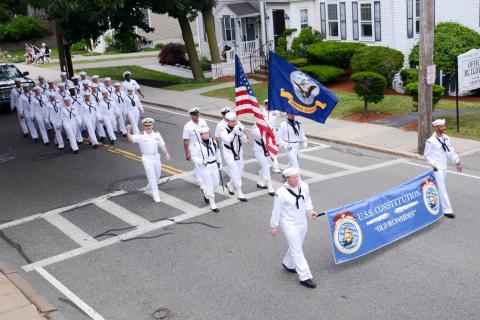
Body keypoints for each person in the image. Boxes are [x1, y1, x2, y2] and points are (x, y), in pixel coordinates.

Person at [270, 167, 318, 289]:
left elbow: (307, 201)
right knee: (297, 249)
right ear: (287, 178)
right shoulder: (281, 192)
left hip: (302, 221)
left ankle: (288, 264)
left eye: (298, 176)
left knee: (297, 245)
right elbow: (276, 210)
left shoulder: (304, 186)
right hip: (289, 223)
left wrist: (310, 211)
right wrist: (274, 226)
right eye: (294, 177)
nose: (297, 179)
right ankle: (305, 277)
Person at [424, 119, 462, 219]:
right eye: (441, 126)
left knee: (437, 186)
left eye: (444, 126)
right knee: (442, 188)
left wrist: (457, 162)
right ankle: (447, 210)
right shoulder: (430, 141)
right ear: (436, 128)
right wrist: (434, 165)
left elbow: (451, 152)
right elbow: (427, 156)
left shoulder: (447, 139)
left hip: (444, 166)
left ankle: (428, 201)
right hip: (437, 168)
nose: (443, 128)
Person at [127, 118, 171, 203]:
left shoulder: (157, 135)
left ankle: (150, 187)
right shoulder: (141, 136)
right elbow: (130, 139)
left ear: (152, 125)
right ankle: (156, 195)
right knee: (152, 177)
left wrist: (166, 153)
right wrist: (128, 131)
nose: (148, 127)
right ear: (144, 126)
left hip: (156, 157)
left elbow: (162, 145)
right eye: (146, 125)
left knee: (158, 175)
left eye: (149, 125)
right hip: (147, 158)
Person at [192, 126, 223, 212]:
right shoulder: (197, 145)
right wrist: (201, 161)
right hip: (205, 167)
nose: (206, 135)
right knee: (209, 184)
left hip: (214, 165)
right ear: (200, 135)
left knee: (216, 184)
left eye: (207, 133)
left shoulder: (213, 142)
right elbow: (194, 157)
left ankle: (206, 194)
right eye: (204, 134)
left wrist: (220, 162)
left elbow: (217, 152)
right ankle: (212, 204)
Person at [220, 112, 248, 201]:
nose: (234, 123)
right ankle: (239, 192)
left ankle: (230, 184)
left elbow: (246, 140)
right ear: (227, 121)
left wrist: (240, 133)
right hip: (229, 154)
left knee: (240, 171)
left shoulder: (238, 127)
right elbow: (227, 140)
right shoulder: (223, 130)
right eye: (232, 121)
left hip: (239, 153)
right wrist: (233, 132)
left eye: (235, 121)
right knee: (235, 172)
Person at [183, 107, 209, 191]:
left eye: (197, 114)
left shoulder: (203, 121)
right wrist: (187, 153)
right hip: (193, 147)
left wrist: (210, 143)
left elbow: (207, 133)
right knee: (198, 165)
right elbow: (186, 140)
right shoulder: (187, 126)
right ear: (191, 115)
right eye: (194, 115)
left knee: (204, 163)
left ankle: (194, 173)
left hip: (203, 145)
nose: (196, 116)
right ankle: (201, 182)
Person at [251, 124, 275, 196]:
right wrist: (269, 130)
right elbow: (260, 135)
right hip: (259, 150)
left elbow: (273, 134)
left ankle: (260, 182)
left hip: (267, 149)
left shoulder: (267, 125)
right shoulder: (255, 127)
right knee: (266, 167)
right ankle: (270, 186)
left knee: (268, 165)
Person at [263, 99, 282, 173]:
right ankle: (272, 165)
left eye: (270, 104)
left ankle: (273, 165)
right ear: (265, 104)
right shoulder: (261, 113)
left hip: (274, 134)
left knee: (273, 149)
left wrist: (282, 106)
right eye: (267, 104)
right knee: (267, 150)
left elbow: (282, 115)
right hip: (266, 134)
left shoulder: (274, 110)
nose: (268, 105)